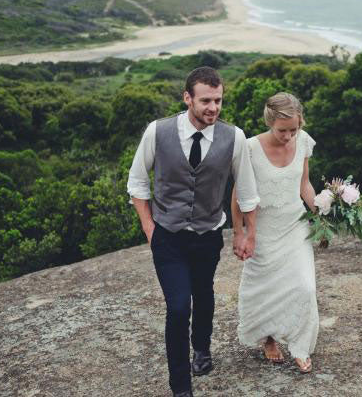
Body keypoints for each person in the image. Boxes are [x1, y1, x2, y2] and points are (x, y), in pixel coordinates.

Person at [127, 67, 259, 397]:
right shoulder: (157, 132)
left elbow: (247, 190)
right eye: (205, 101)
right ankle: (181, 388)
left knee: (202, 293)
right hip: (168, 237)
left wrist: (246, 233)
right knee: (177, 308)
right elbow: (137, 182)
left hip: (208, 235)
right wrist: (149, 227)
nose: (213, 108)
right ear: (187, 98)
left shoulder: (235, 137)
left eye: (218, 101)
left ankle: (201, 347)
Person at [231, 92, 319, 374]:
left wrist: (320, 215)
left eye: (294, 129)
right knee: (266, 286)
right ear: (270, 123)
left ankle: (300, 345)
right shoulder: (249, 148)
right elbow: (238, 195)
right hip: (263, 229)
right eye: (283, 130)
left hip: (295, 224)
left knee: (305, 285)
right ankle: (268, 339)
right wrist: (240, 232)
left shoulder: (303, 141)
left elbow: (304, 184)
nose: (289, 136)